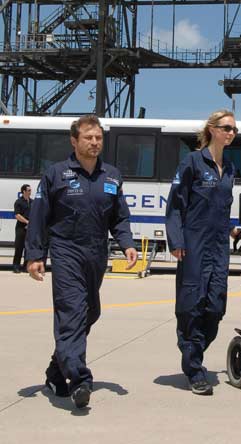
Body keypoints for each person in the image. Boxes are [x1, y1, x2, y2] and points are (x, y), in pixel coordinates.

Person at [25, 115, 138, 409]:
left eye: (98, 137)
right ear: (74, 141)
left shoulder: (111, 176)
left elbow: (120, 217)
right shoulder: (56, 175)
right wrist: (35, 255)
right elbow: (38, 216)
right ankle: (79, 380)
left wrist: (127, 244)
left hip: (96, 252)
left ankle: (55, 371)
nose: (94, 142)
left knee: (90, 311)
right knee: (72, 311)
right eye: (88, 137)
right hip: (66, 251)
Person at [165, 110, 238, 396]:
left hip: (219, 247)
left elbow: (220, 209)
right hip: (194, 246)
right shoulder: (192, 163)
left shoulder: (230, 168)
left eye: (234, 129)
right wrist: (176, 240)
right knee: (191, 305)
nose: (231, 133)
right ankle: (194, 368)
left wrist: (232, 230)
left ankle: (190, 348)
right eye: (227, 128)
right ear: (212, 129)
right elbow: (175, 206)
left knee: (215, 307)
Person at [12, 184, 33, 273]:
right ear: (24, 191)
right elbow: (17, 215)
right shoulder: (18, 202)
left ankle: (25, 266)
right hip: (21, 228)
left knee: (28, 248)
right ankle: (16, 266)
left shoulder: (33, 202)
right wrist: (27, 222)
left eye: (30, 190)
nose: (30, 192)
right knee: (19, 248)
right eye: (28, 190)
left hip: (30, 228)